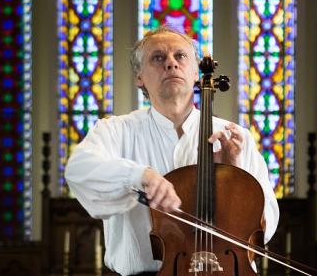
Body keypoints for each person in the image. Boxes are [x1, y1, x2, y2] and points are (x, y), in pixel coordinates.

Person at [65, 26, 279, 276]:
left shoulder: (233, 137)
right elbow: (78, 170)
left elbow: (265, 226)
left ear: (196, 71)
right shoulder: (115, 131)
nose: (171, 64)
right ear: (139, 77)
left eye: (180, 56)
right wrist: (140, 176)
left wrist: (234, 176)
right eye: (158, 57)